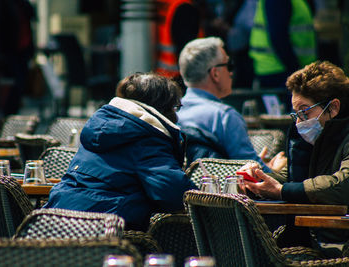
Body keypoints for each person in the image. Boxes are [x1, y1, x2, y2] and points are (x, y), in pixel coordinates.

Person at [44, 73, 197, 231]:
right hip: (106, 230)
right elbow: (175, 195)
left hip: (55, 220)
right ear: (163, 107)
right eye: (175, 107)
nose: (177, 116)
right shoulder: (146, 135)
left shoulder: (101, 125)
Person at [242, 61, 349, 248]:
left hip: (339, 243)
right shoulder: (312, 137)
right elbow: (292, 177)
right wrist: (258, 180)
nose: (300, 122)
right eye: (296, 114)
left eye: (305, 112)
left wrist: (281, 191)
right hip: (310, 239)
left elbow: (343, 184)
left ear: (333, 108)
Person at [177, 37, 284, 171]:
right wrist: (276, 171)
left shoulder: (172, 112)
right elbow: (249, 171)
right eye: (229, 65)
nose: (231, 72)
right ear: (215, 73)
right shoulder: (225, 117)